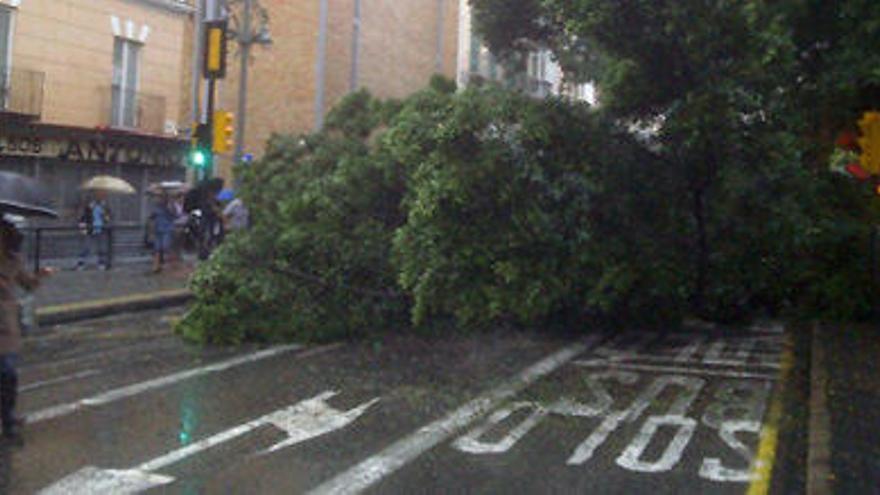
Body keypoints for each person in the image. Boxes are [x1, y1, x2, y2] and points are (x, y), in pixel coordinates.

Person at [0, 218, 51, 445]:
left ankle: (8, 418)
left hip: (5, 327)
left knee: (8, 373)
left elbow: (27, 284)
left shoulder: (14, 260)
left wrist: (40, 276)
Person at [76, 195, 111, 270]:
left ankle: (101, 263)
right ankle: (81, 264)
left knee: (100, 248)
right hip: (90, 229)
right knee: (86, 247)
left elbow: (107, 218)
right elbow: (83, 218)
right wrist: (83, 228)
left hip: (100, 229)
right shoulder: (88, 208)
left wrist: (105, 214)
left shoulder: (103, 208)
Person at [150, 194, 176, 274]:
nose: (157, 199)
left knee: (166, 247)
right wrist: (151, 231)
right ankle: (156, 265)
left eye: (159, 198)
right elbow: (152, 218)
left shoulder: (169, 207)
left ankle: (167, 265)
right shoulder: (156, 208)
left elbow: (173, 214)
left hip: (167, 230)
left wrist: (170, 204)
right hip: (158, 230)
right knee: (157, 249)